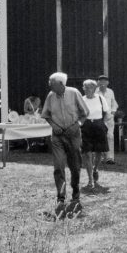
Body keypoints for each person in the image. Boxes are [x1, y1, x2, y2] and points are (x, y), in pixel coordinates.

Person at [41, 72, 89, 218]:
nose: (49, 84)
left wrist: (77, 125)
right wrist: (53, 126)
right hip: (58, 136)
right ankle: (61, 198)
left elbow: (85, 113)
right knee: (59, 166)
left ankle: (75, 194)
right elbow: (46, 115)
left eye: (52, 82)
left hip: (73, 134)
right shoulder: (50, 96)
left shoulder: (74, 93)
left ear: (60, 83)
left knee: (75, 166)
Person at [80, 79, 110, 189]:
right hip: (86, 126)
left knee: (98, 151)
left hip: (98, 125)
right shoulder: (81, 100)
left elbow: (107, 112)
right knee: (86, 152)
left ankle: (95, 169)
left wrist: (104, 123)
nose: (85, 89)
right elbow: (78, 114)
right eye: (84, 87)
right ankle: (90, 179)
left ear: (93, 88)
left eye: (88, 87)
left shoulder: (101, 99)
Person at [98, 75, 118, 163]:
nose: (102, 83)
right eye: (101, 81)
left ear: (107, 83)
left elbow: (114, 103)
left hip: (109, 118)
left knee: (110, 136)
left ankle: (110, 158)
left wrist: (112, 113)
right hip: (98, 118)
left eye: (104, 81)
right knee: (99, 137)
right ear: (98, 83)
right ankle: (100, 157)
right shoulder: (94, 92)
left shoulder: (110, 92)